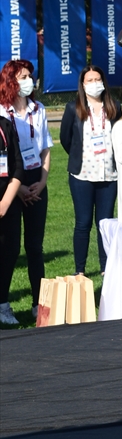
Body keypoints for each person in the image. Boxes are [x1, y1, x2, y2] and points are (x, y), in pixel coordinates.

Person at [0, 60, 52, 321]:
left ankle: (38, 304)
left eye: (30, 76)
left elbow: (46, 150)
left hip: (35, 180)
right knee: (10, 246)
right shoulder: (1, 112)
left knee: (35, 246)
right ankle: (3, 305)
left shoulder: (38, 109)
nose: (29, 80)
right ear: (10, 80)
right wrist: (17, 190)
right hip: (9, 182)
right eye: (23, 76)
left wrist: (41, 183)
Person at [60, 66, 122, 276]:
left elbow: (120, 136)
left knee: (105, 222)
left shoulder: (114, 107)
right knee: (83, 222)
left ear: (103, 82)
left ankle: (106, 267)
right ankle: (80, 270)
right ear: (83, 84)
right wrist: (80, 156)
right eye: (90, 80)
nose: (95, 83)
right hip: (82, 175)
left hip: (109, 175)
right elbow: (66, 140)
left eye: (98, 79)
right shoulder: (73, 108)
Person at [0, 112, 24, 325]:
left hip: (7, 202)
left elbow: (17, 166)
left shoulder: (6, 126)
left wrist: (5, 203)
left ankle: (2, 303)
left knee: (10, 250)